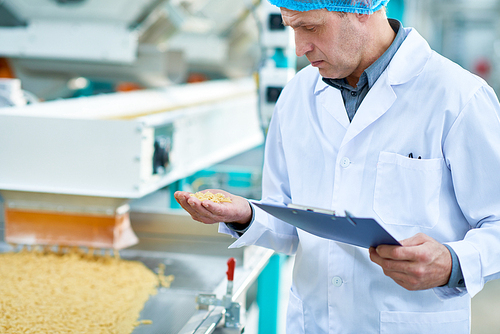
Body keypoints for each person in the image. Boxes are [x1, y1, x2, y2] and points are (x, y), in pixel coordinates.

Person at [175, 0, 500, 332]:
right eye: (292, 28)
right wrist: (246, 214)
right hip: (312, 323)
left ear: (361, 8)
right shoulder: (297, 96)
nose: (300, 47)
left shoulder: (459, 97)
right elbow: (289, 221)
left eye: (311, 27)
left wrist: (454, 262)